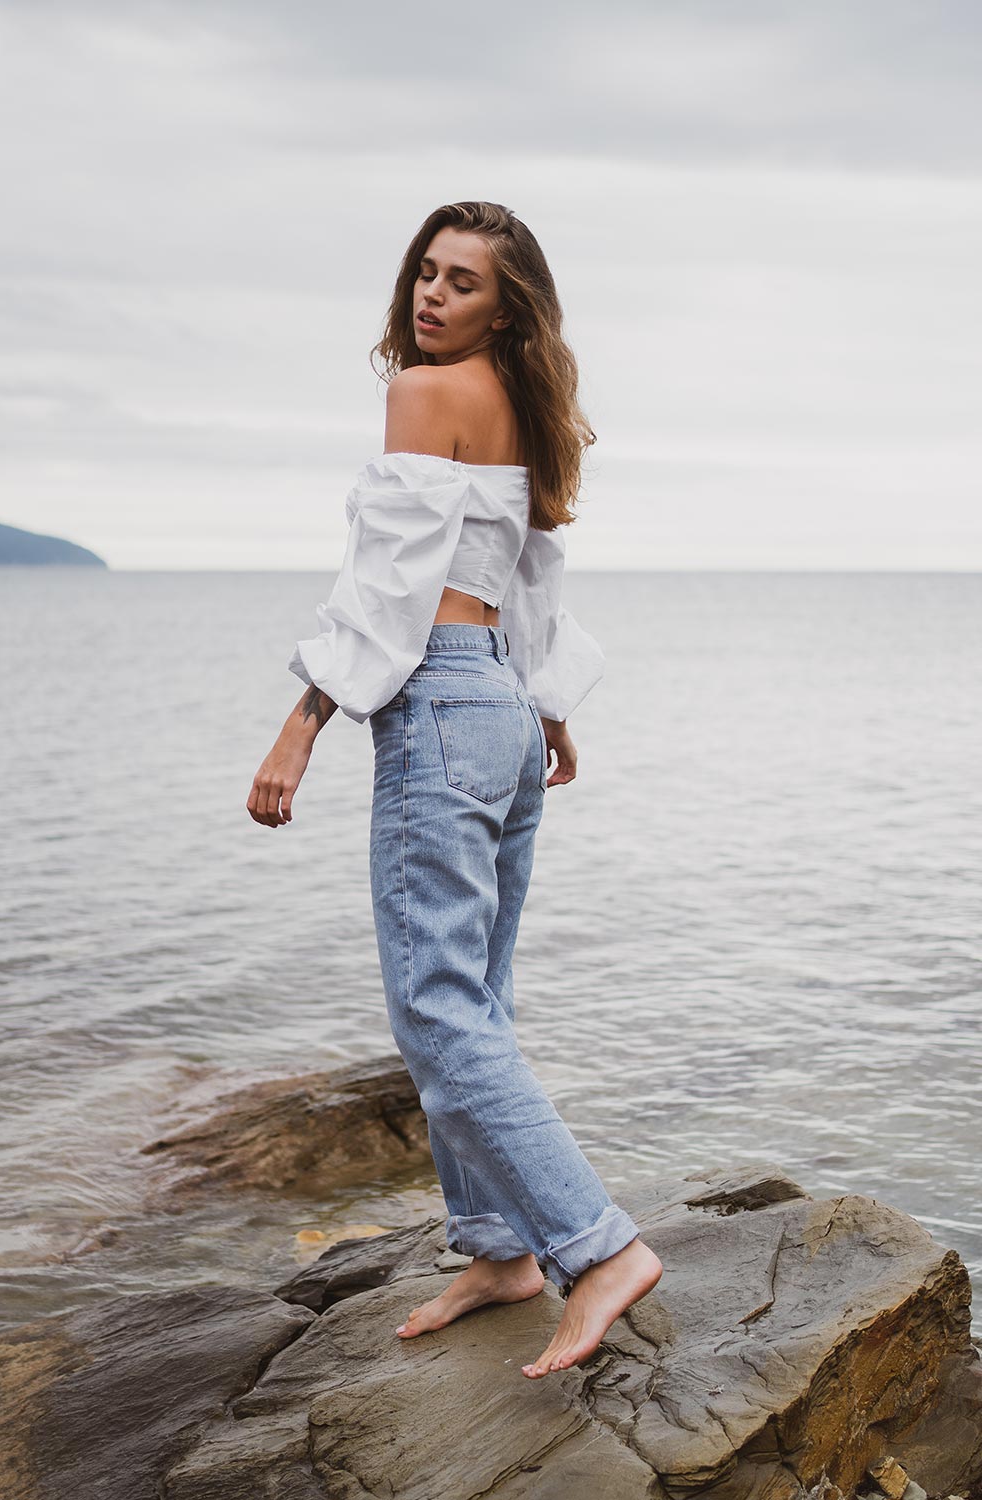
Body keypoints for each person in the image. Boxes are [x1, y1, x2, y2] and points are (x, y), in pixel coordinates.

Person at [246, 200, 662, 1379]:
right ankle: (499, 1248)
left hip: (438, 702)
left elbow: (385, 587)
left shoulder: (425, 397)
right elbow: (531, 575)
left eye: (462, 281)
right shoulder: (527, 407)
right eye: (425, 273)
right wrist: (550, 708)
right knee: (477, 993)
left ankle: (598, 1247)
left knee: (437, 1009)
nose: (431, 295)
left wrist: (301, 723)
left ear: (504, 303)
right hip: (503, 708)